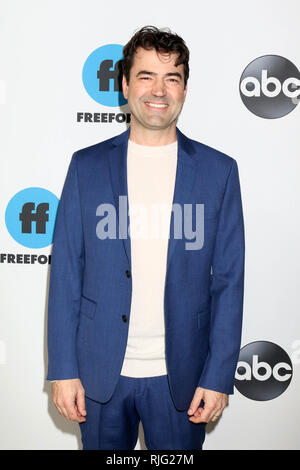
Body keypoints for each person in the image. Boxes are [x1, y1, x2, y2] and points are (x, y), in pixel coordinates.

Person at [47, 25, 245, 450]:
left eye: (172, 77)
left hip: (183, 379)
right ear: (124, 85)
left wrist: (218, 375)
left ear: (185, 89)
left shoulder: (219, 171)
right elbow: (65, 273)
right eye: (146, 76)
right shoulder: (86, 167)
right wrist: (63, 369)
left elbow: (229, 281)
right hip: (100, 375)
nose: (160, 89)